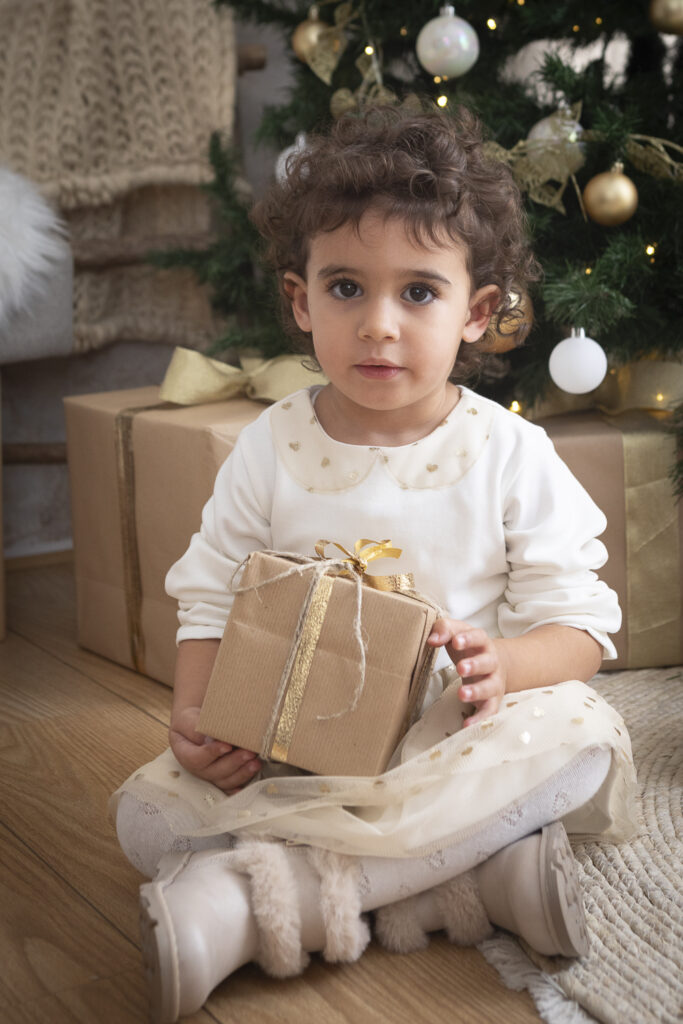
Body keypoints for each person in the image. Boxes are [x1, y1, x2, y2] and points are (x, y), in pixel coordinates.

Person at [111, 106, 639, 1024]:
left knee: (581, 747)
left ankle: (258, 909)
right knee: (144, 820)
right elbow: (209, 601)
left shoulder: (508, 453)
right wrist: (193, 715)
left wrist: (503, 666)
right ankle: (472, 880)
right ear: (300, 299)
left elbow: (581, 626)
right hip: (299, 740)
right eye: (346, 288)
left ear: (477, 313)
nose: (378, 327)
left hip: (452, 736)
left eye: (420, 293)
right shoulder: (269, 446)